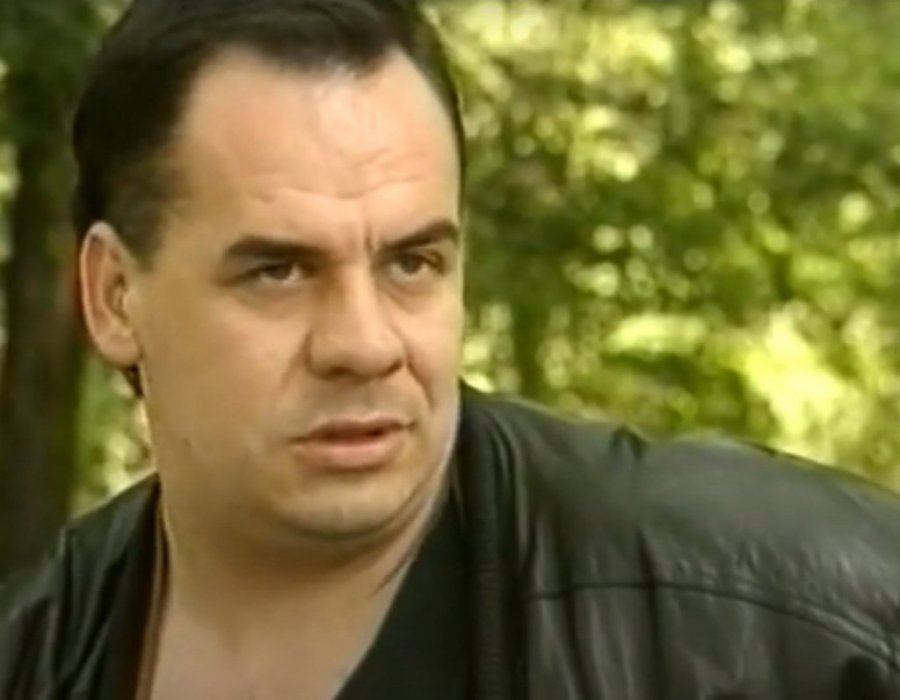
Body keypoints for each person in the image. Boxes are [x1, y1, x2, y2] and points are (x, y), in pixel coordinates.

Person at [2, 0, 900, 697]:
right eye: (278, 271)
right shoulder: (34, 654)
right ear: (114, 297)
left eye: (412, 262)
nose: (365, 345)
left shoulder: (763, 610)